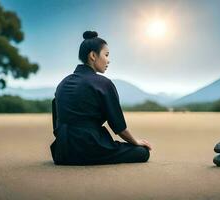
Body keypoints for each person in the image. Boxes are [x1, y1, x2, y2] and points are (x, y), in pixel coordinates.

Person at [50, 31, 152, 165]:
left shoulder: (63, 83)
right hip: (89, 148)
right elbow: (118, 126)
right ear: (93, 55)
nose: (108, 60)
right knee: (143, 152)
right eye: (106, 55)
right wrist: (136, 142)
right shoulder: (103, 83)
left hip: (62, 152)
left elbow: (57, 117)